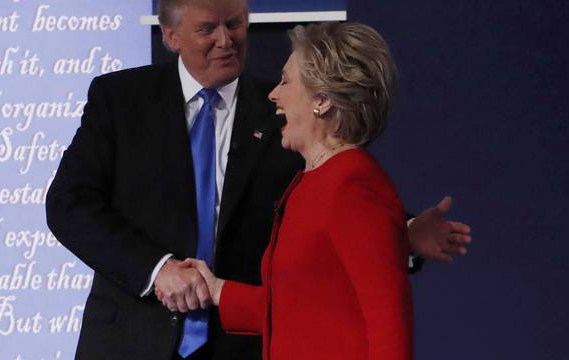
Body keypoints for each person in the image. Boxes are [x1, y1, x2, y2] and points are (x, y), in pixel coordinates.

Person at [45, 0, 471, 359]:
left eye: (235, 24)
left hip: (243, 346)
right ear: (171, 36)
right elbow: (69, 204)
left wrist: (406, 230)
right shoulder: (120, 99)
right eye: (207, 28)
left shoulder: (297, 127)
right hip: (132, 340)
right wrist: (162, 272)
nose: (226, 39)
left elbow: (348, 215)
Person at [165, 21, 412, 360]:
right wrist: (218, 290)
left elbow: (388, 322)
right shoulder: (310, 181)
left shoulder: (352, 186)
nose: (273, 94)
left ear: (322, 100)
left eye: (285, 81)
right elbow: (294, 311)